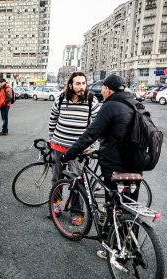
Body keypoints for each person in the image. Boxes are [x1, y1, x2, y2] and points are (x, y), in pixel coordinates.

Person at [61, 74, 141, 258]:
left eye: (103, 89)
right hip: (136, 164)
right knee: (129, 205)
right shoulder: (135, 103)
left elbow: (90, 134)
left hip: (115, 166)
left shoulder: (110, 105)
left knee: (114, 206)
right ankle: (130, 246)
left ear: (107, 89)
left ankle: (114, 249)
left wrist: (68, 154)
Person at [48, 72, 100, 218]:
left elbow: (98, 125)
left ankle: (76, 213)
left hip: (78, 150)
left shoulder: (91, 100)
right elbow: (53, 120)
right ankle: (55, 205)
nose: (82, 87)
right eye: (78, 84)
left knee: (77, 182)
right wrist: (51, 139)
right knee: (57, 178)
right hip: (58, 146)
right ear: (70, 85)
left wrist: (92, 143)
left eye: (84, 83)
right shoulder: (60, 98)